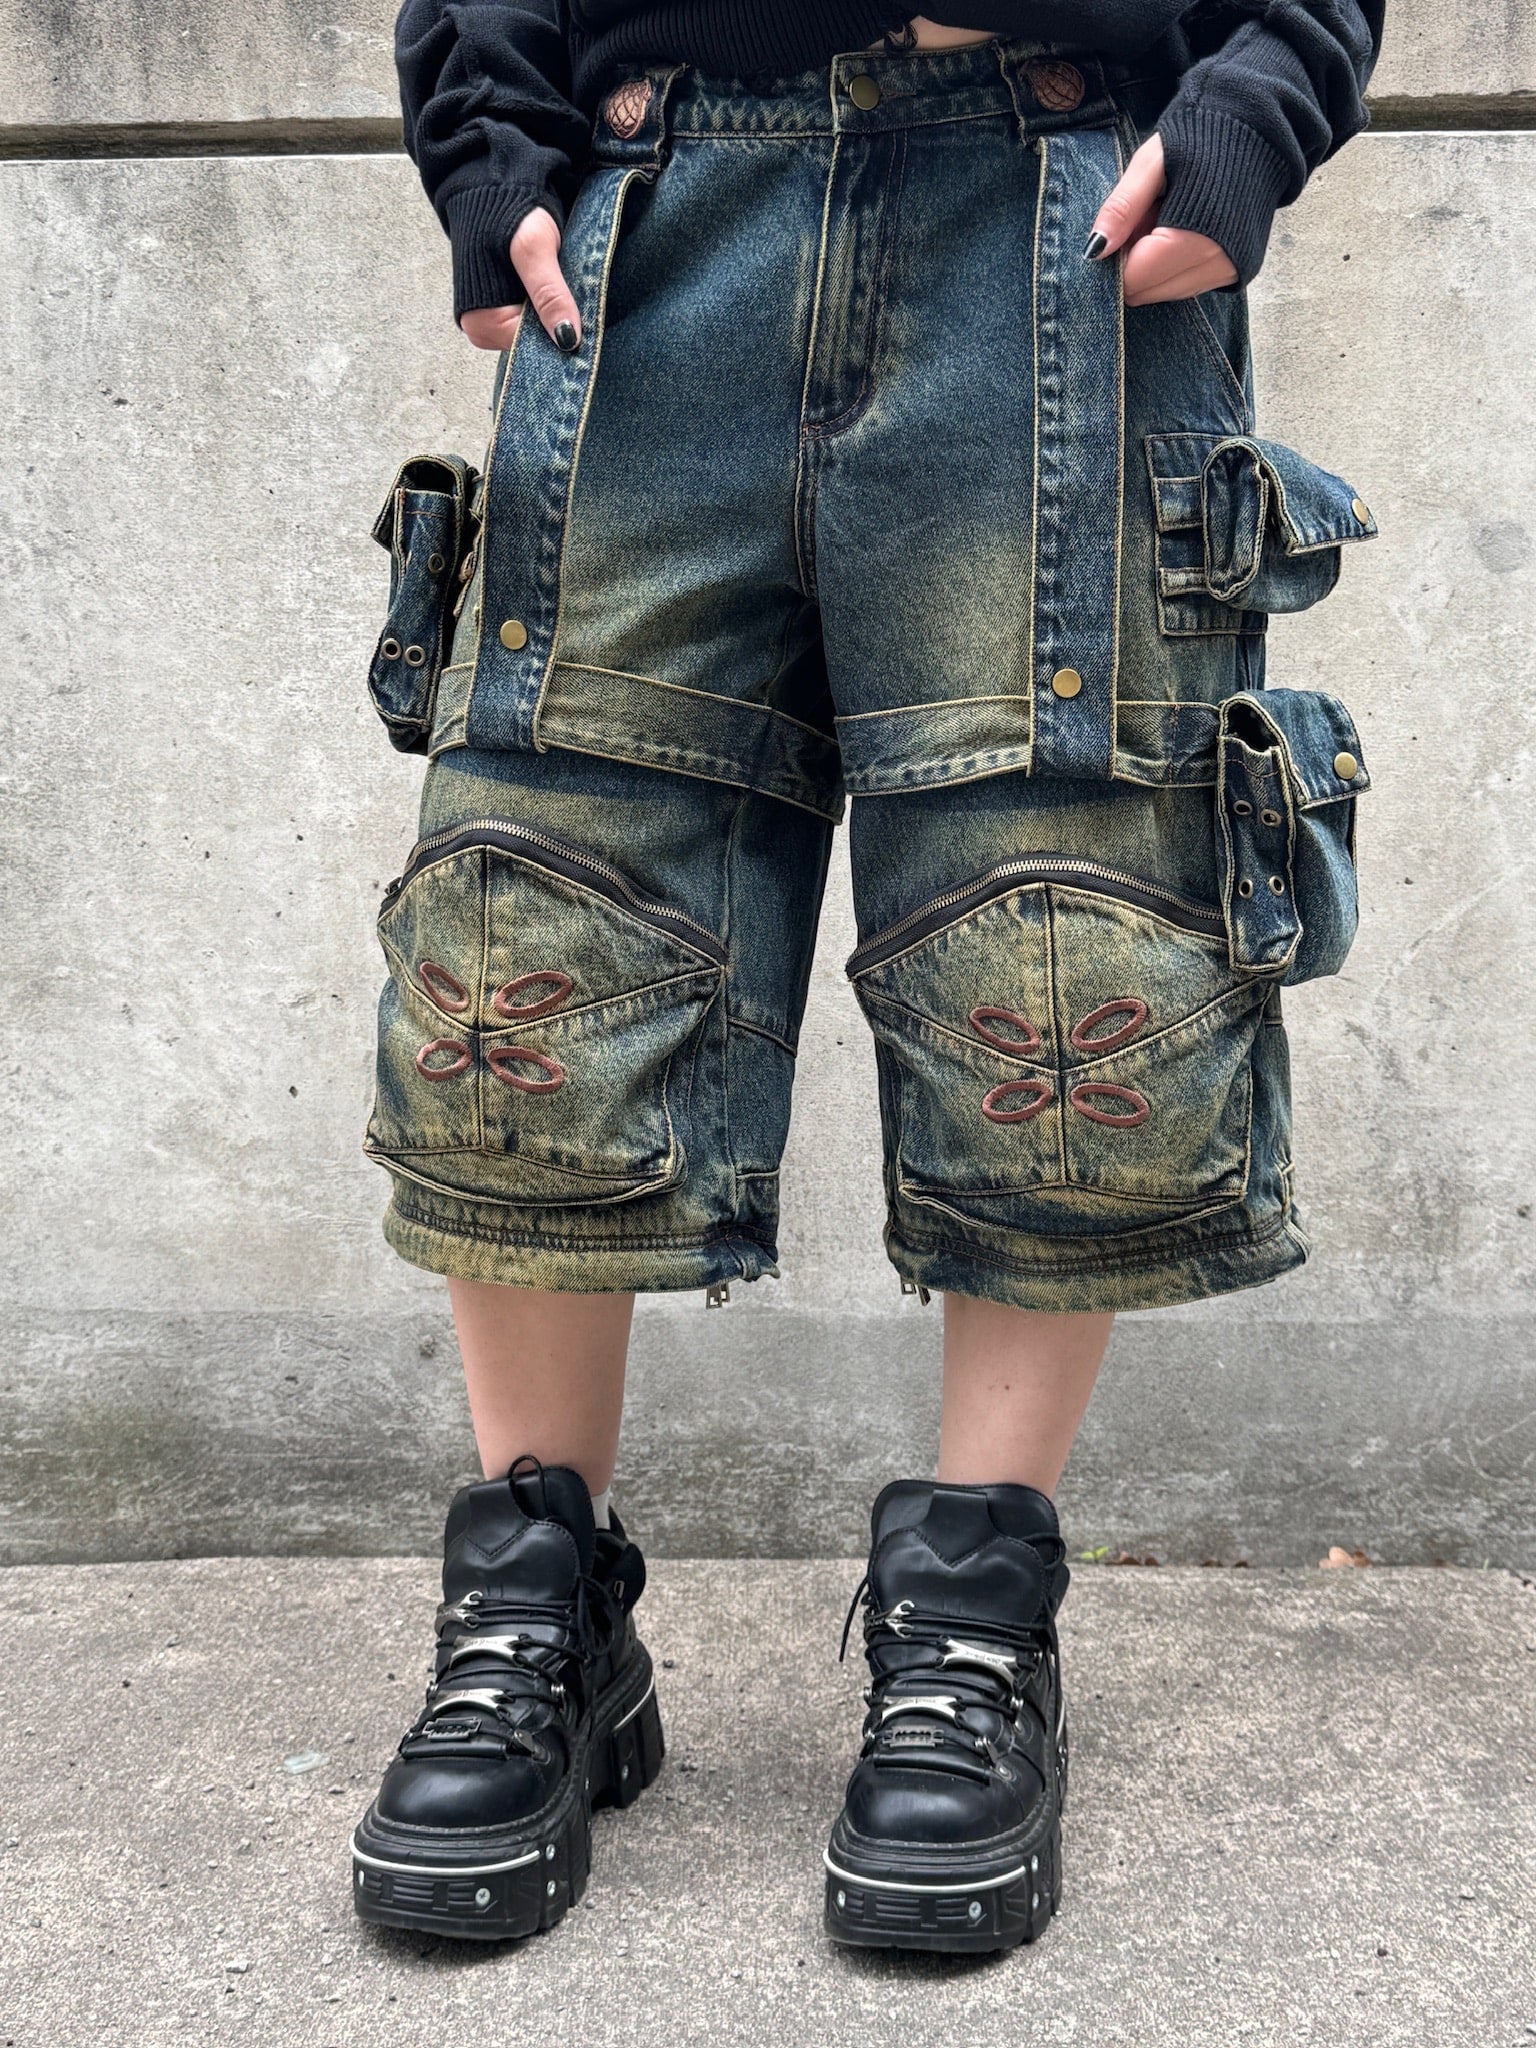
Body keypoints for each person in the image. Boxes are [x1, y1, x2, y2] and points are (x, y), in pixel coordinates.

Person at [350, 0, 1384, 1952]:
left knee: (1057, 932)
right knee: (537, 920)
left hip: (1060, 212)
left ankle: (974, 1626)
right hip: (653, 207)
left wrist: (1257, 100)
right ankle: (533, 1608)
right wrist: (486, 133)